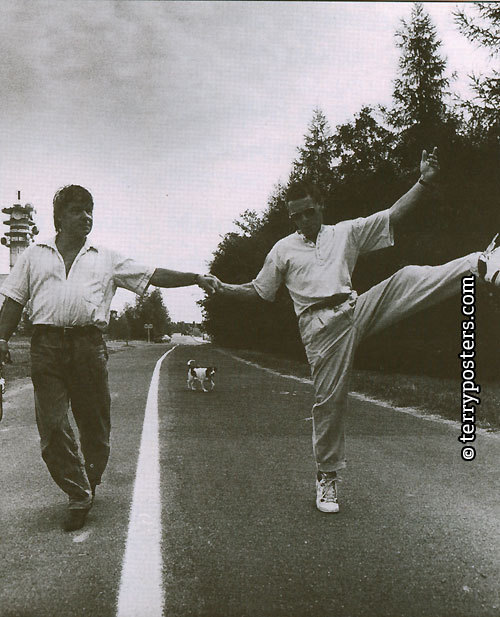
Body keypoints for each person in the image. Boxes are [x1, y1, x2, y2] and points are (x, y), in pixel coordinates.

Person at [214, 148, 498, 513]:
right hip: (320, 330)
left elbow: (393, 216)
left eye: (308, 211)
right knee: (330, 402)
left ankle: (479, 263)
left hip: (353, 308)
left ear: (321, 206)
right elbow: (259, 290)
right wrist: (222, 288)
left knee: (405, 277)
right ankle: (327, 478)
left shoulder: (344, 232)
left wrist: (424, 181)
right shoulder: (283, 249)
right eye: (295, 215)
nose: (303, 220)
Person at [0, 184, 219, 531]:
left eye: (90, 210)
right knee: (52, 425)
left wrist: (194, 278)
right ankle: (78, 493)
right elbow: (13, 299)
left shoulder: (105, 257)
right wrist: (1, 338)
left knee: (95, 427)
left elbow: (152, 274)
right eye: (77, 210)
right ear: (59, 217)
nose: (86, 217)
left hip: (88, 347)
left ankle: (90, 480)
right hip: (46, 348)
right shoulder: (33, 255)